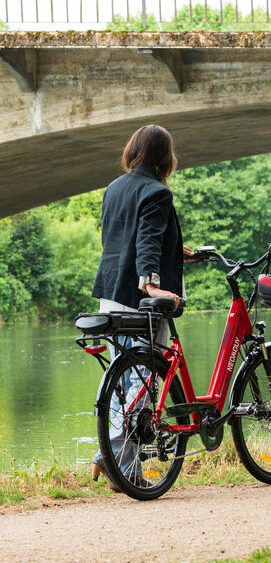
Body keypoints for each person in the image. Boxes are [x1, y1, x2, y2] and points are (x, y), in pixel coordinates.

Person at [89, 124, 193, 490]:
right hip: (140, 300)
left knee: (120, 379)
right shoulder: (157, 191)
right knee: (144, 382)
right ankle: (117, 461)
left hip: (110, 294)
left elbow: (126, 237)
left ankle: (115, 457)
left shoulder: (114, 187)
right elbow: (146, 240)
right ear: (165, 157)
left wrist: (175, 248)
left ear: (134, 150)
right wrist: (153, 286)